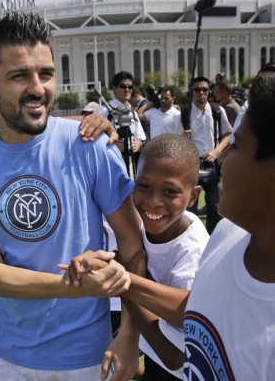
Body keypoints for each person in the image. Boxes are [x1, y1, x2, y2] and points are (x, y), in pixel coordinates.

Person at [0, 11, 143, 381]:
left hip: (88, 357)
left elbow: (134, 249)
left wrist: (130, 336)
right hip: (7, 357)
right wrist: (77, 287)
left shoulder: (90, 145)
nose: (38, 88)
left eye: (46, 74)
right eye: (19, 75)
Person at [69, 71, 275, 380]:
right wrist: (103, 130)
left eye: (237, 146)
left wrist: (123, 282)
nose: (220, 160)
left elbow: (175, 349)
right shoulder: (226, 235)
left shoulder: (196, 246)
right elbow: (196, 310)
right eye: (144, 187)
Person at [64, 133, 209, 380]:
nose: (153, 201)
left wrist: (124, 282)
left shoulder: (191, 251)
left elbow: (173, 356)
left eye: (170, 191)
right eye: (143, 186)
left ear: (193, 196)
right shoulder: (141, 224)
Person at [182, 76, 232, 234]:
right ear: (192, 92)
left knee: (215, 207)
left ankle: (213, 238)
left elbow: (228, 135)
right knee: (190, 207)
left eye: (204, 89)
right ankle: (194, 237)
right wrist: (183, 137)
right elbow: (175, 140)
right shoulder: (184, 113)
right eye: (197, 89)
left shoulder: (217, 110)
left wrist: (217, 151)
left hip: (212, 163)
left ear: (209, 91)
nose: (201, 93)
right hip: (192, 164)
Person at [97, 71, 147, 176]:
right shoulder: (104, 111)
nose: (127, 90)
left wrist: (138, 145)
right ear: (114, 88)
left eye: (130, 87)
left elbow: (142, 140)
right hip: (109, 166)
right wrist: (111, 145)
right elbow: (95, 140)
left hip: (131, 166)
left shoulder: (133, 113)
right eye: (123, 86)